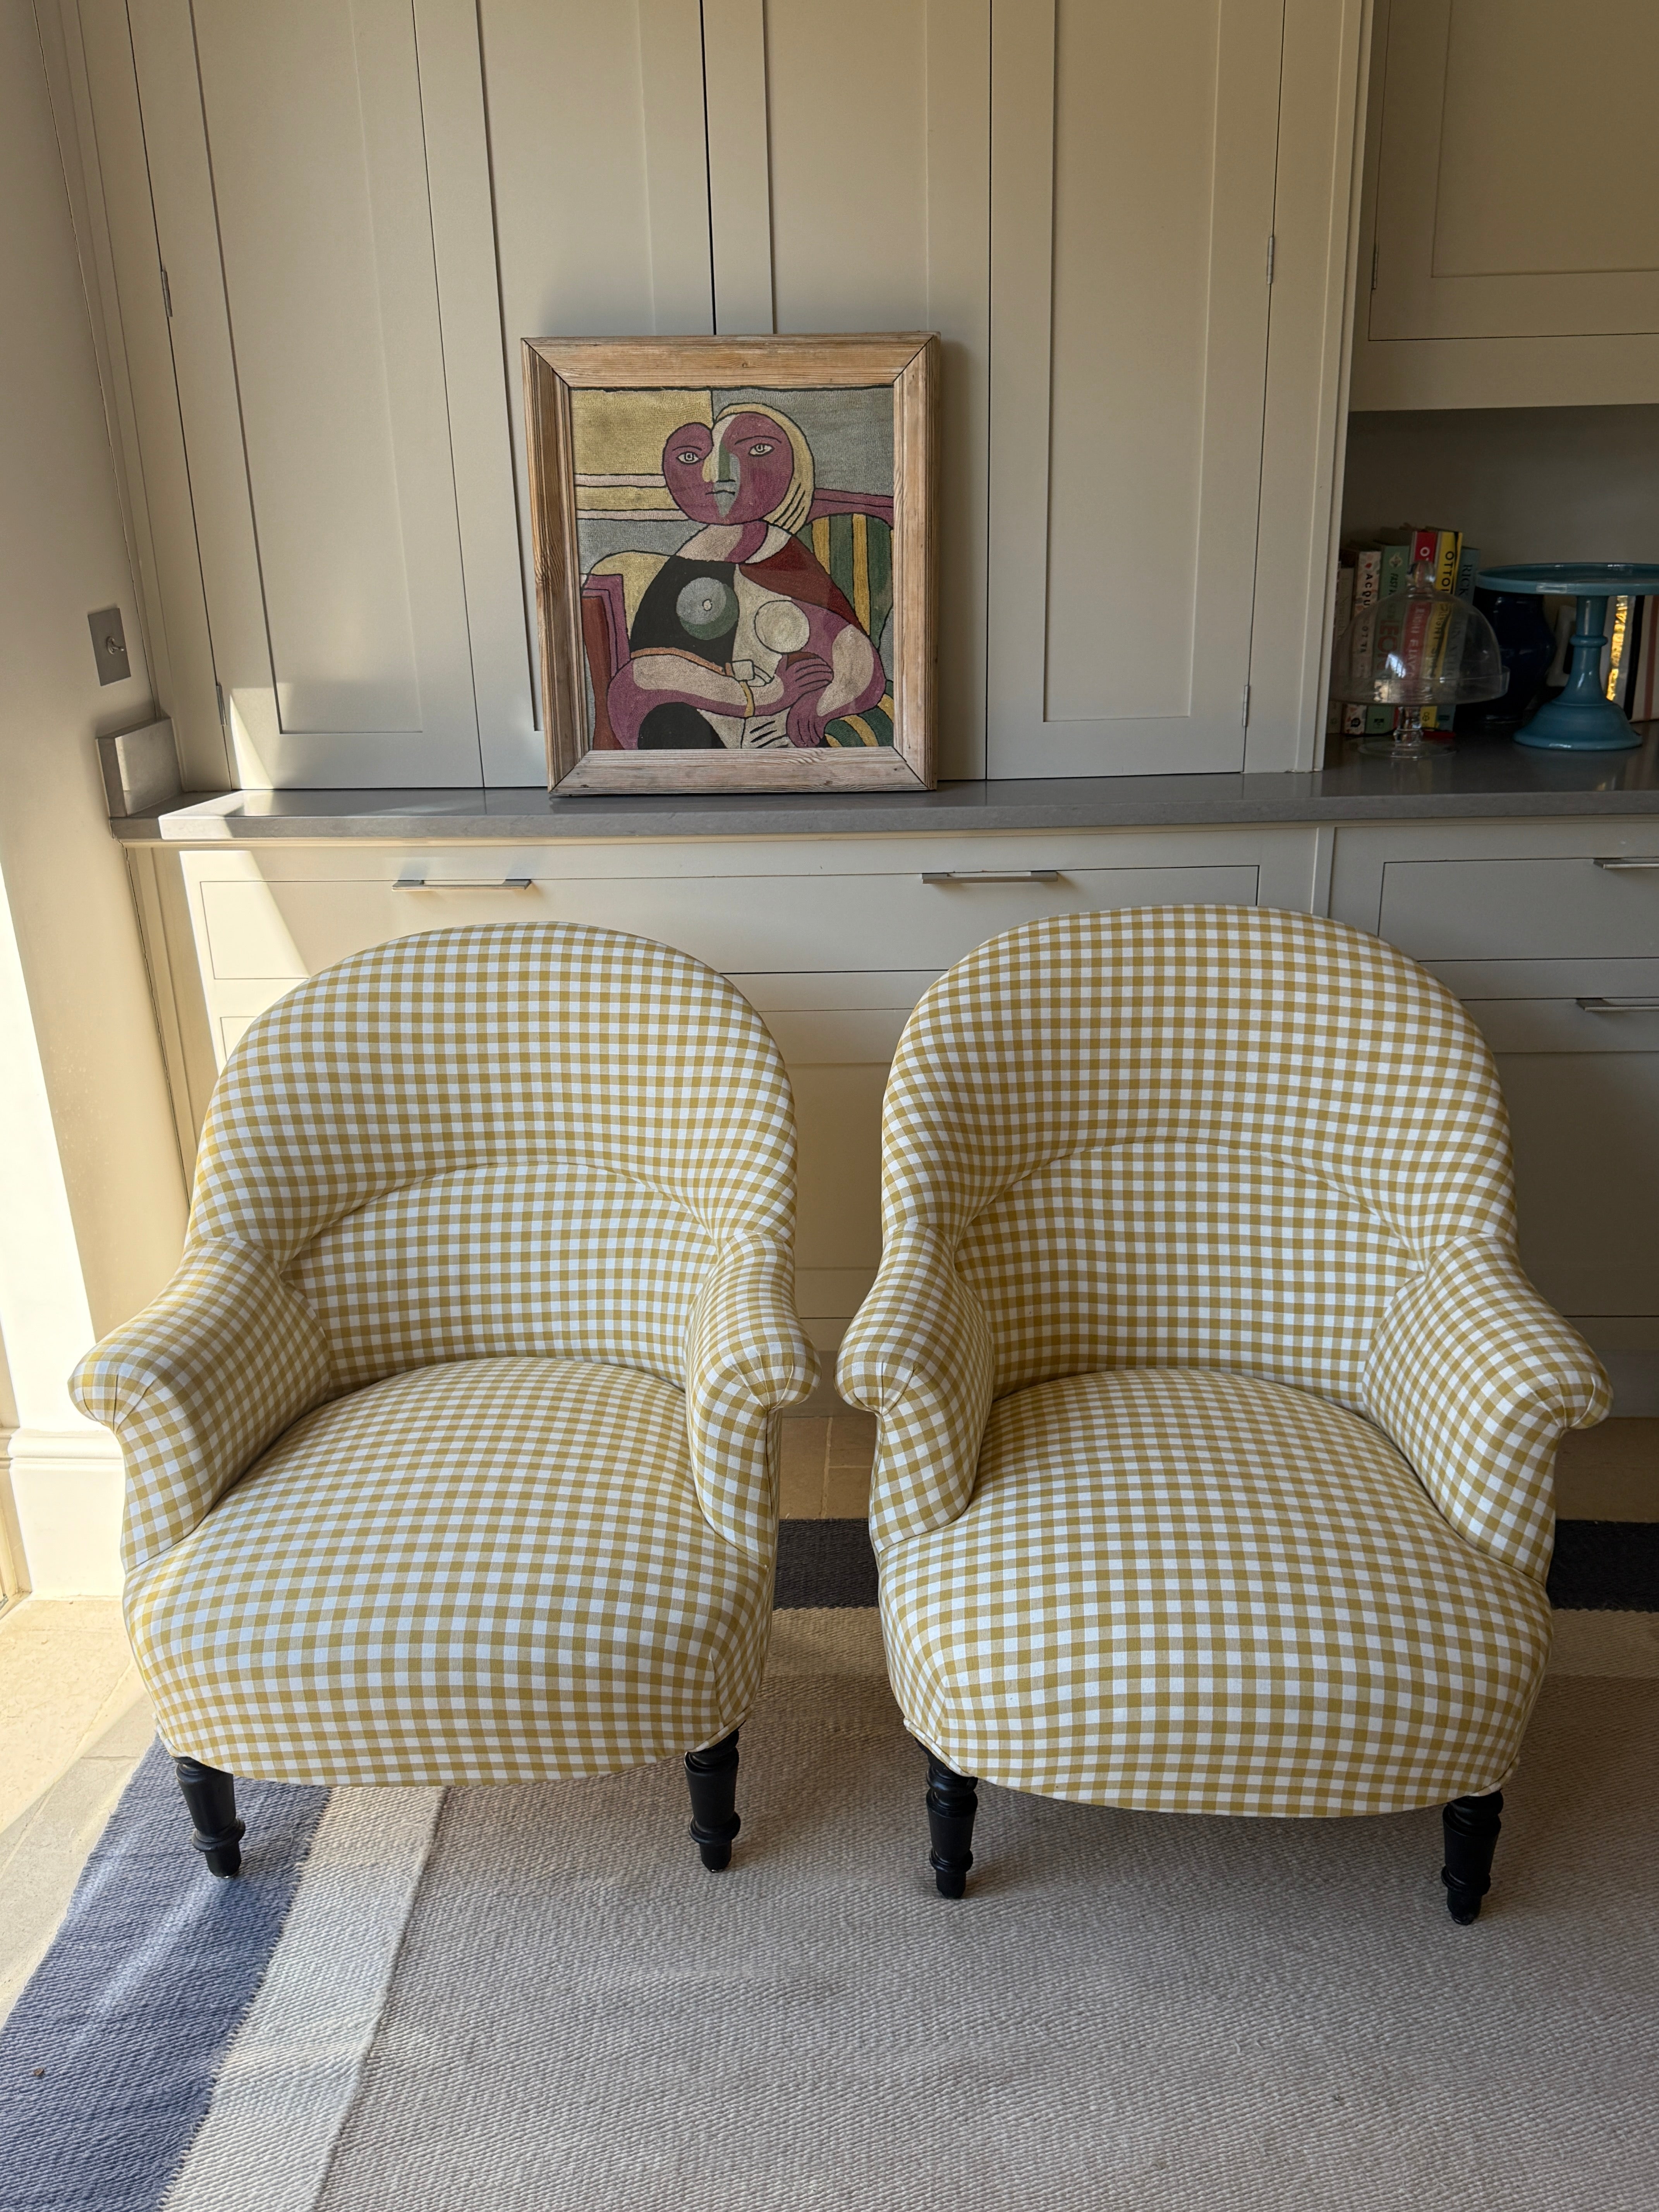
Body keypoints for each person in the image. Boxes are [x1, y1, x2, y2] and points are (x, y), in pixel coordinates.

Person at [590, 403, 888, 750]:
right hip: (699, 729)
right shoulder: (685, 566)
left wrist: (821, 707)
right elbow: (643, 678)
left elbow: (857, 659)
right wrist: (763, 696)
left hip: (779, 738)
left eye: (757, 450)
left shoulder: (786, 558)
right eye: (691, 457)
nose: (718, 475)